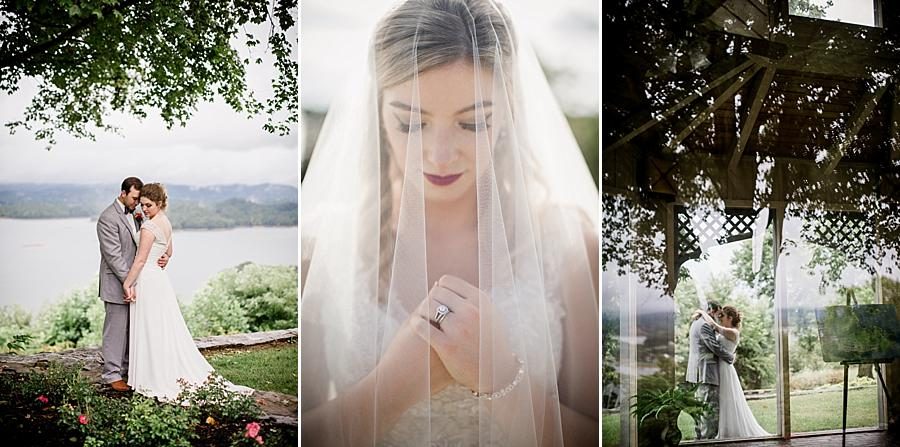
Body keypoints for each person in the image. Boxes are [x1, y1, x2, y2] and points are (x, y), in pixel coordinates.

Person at [300, 0, 599, 445]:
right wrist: (397, 385)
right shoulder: (321, 245)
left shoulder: (569, 245)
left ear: (508, 114)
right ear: (377, 112)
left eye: (473, 122)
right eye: (411, 123)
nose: (439, 155)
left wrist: (498, 377)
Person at [120, 183, 252, 401]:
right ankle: (156, 372)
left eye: (149, 205)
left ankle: (152, 377)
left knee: (151, 327)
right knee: (160, 327)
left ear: (160, 203)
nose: (144, 209)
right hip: (159, 281)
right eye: (142, 205)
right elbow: (169, 251)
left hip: (147, 280)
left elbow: (140, 259)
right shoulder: (164, 222)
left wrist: (127, 283)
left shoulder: (148, 227)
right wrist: (162, 256)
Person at [96, 177, 168, 392]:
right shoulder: (107, 218)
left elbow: (148, 244)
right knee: (115, 330)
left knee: (133, 330)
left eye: (141, 201)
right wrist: (130, 282)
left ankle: (128, 371)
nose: (138, 205)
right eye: (135, 199)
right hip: (118, 281)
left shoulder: (137, 214)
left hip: (138, 281)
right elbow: (114, 256)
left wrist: (162, 257)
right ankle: (111, 374)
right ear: (123, 193)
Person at [698, 305, 770, 439]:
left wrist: (702, 312)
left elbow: (713, 325)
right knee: (722, 399)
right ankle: (721, 429)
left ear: (730, 318)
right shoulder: (727, 331)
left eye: (722, 316)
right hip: (720, 366)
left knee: (727, 398)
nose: (720, 319)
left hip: (725, 368)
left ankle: (729, 430)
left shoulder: (733, 332)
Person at [686, 301, 734, 439]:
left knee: (700, 408)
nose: (718, 318)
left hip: (696, 372)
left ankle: (700, 439)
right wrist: (730, 357)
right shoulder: (704, 325)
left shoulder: (696, 323)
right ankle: (708, 440)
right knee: (709, 409)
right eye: (718, 314)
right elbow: (714, 346)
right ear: (711, 310)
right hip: (706, 372)